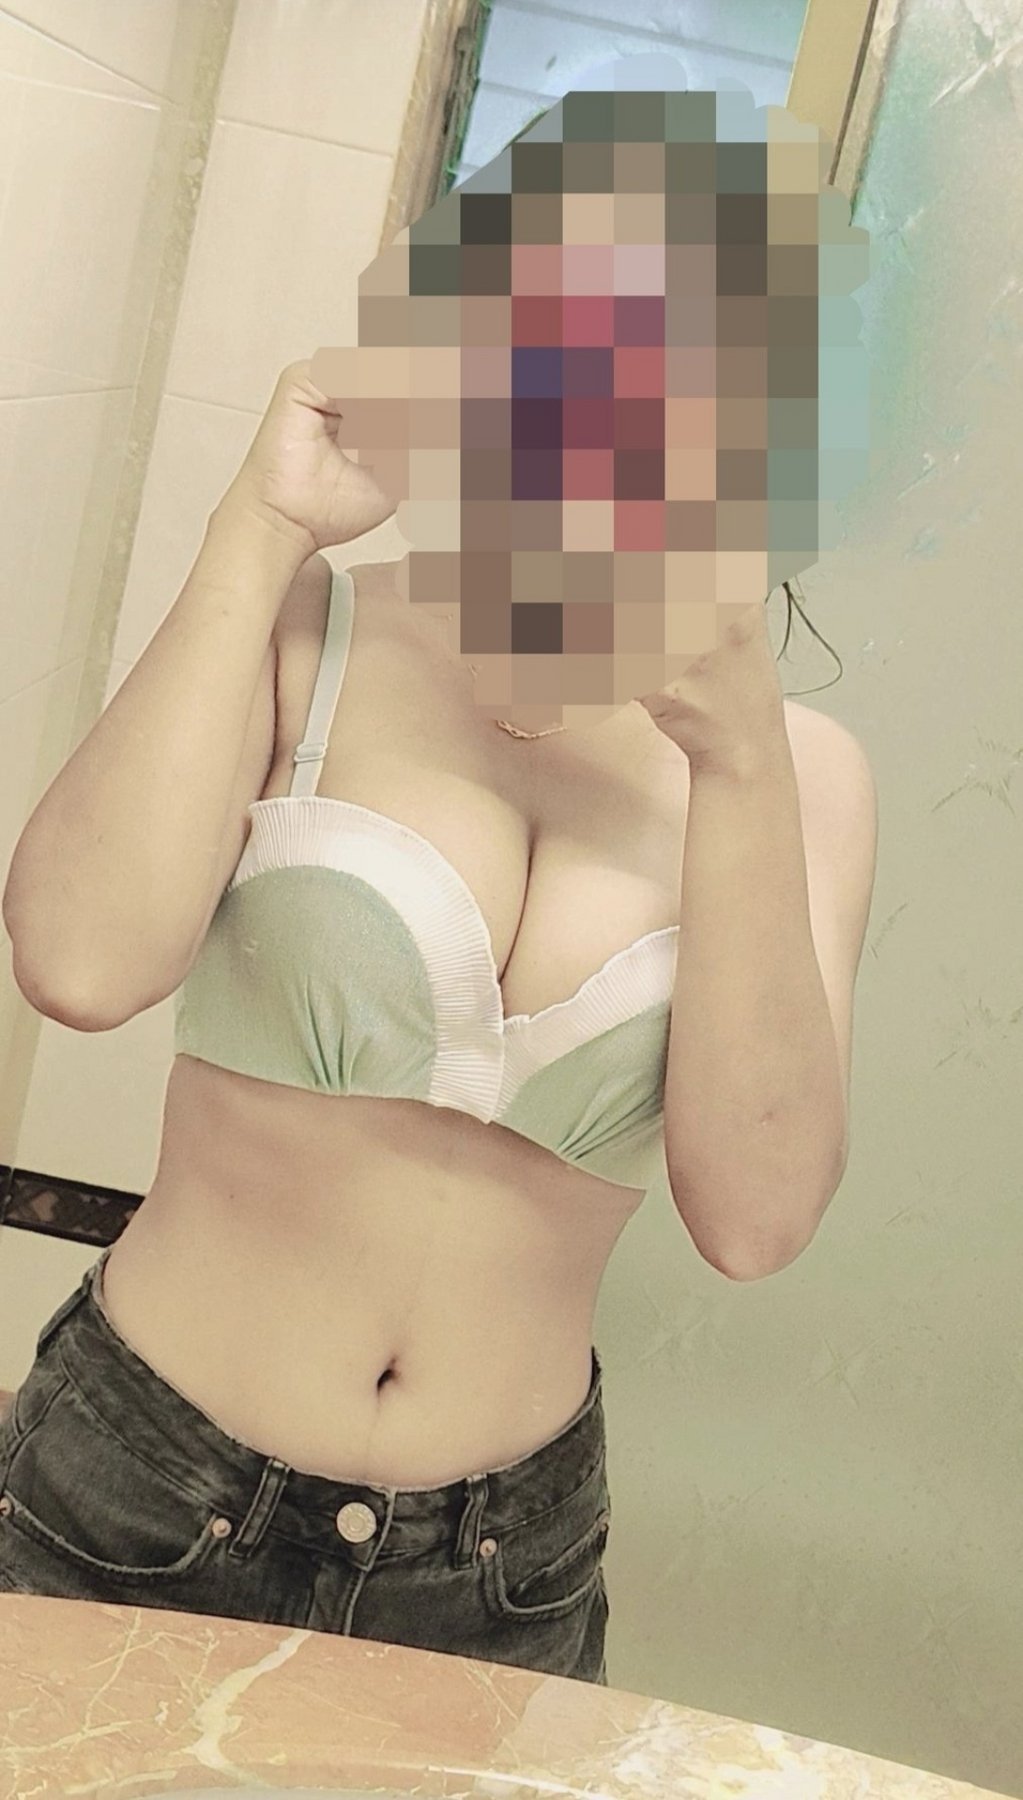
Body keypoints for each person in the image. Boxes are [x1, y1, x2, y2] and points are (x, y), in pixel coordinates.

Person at [0, 88, 875, 1686]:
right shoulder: (312, 632)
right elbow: (75, 960)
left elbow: (754, 1221)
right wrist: (262, 529)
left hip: (496, 1576)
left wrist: (740, 761)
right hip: (136, 1492)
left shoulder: (799, 776)